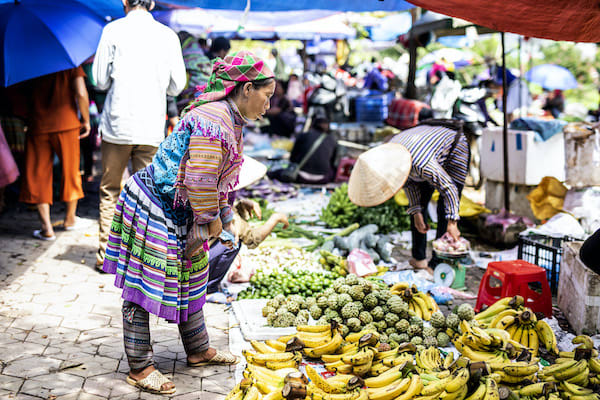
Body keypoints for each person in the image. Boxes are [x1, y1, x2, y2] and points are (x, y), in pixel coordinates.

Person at [102, 50, 275, 394]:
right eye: (266, 96)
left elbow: (219, 181)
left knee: (194, 274)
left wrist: (224, 219)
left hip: (181, 208)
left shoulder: (230, 119)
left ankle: (197, 350)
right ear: (245, 90)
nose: (268, 105)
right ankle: (139, 367)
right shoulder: (214, 121)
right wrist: (212, 223)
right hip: (153, 205)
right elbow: (199, 179)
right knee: (144, 285)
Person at [92, 0, 186, 269]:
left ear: (125, 2)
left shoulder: (112, 30)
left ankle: (105, 255)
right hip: (150, 127)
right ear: (152, 3)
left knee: (110, 190)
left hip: (117, 125)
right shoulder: (168, 36)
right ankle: (139, 259)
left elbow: (99, 81)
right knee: (147, 195)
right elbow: (177, 86)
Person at [347, 119, 469, 274]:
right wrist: (417, 213)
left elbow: (449, 188)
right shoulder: (392, 161)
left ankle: (437, 263)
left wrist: (453, 222)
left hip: (454, 146)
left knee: (444, 208)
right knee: (417, 210)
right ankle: (419, 258)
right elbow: (409, 185)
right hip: (421, 151)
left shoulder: (423, 165)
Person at [19, 67, 90, 240]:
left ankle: (46, 228)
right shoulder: (69, 60)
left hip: (38, 124)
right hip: (66, 123)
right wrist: (86, 120)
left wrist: (26, 117)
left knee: (38, 175)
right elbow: (81, 92)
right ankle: (70, 219)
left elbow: (17, 96)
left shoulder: (28, 62)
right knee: (71, 171)